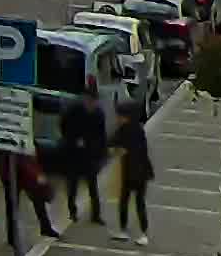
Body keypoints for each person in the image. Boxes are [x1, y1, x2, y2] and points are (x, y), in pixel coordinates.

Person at [58, 88, 110, 225]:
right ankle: (72, 212)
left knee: (92, 185)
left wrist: (102, 153)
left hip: (89, 154)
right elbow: (63, 125)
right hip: (74, 152)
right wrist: (72, 140)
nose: (91, 104)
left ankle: (96, 215)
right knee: (72, 184)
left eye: (93, 102)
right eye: (89, 101)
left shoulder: (99, 114)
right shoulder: (74, 110)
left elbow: (101, 135)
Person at [110, 101, 156, 244]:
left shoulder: (126, 130)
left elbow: (112, 143)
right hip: (141, 170)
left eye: (119, 116)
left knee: (128, 201)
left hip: (134, 171)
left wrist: (120, 150)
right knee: (137, 202)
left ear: (126, 116)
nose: (117, 118)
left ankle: (127, 231)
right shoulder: (137, 129)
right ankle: (142, 233)